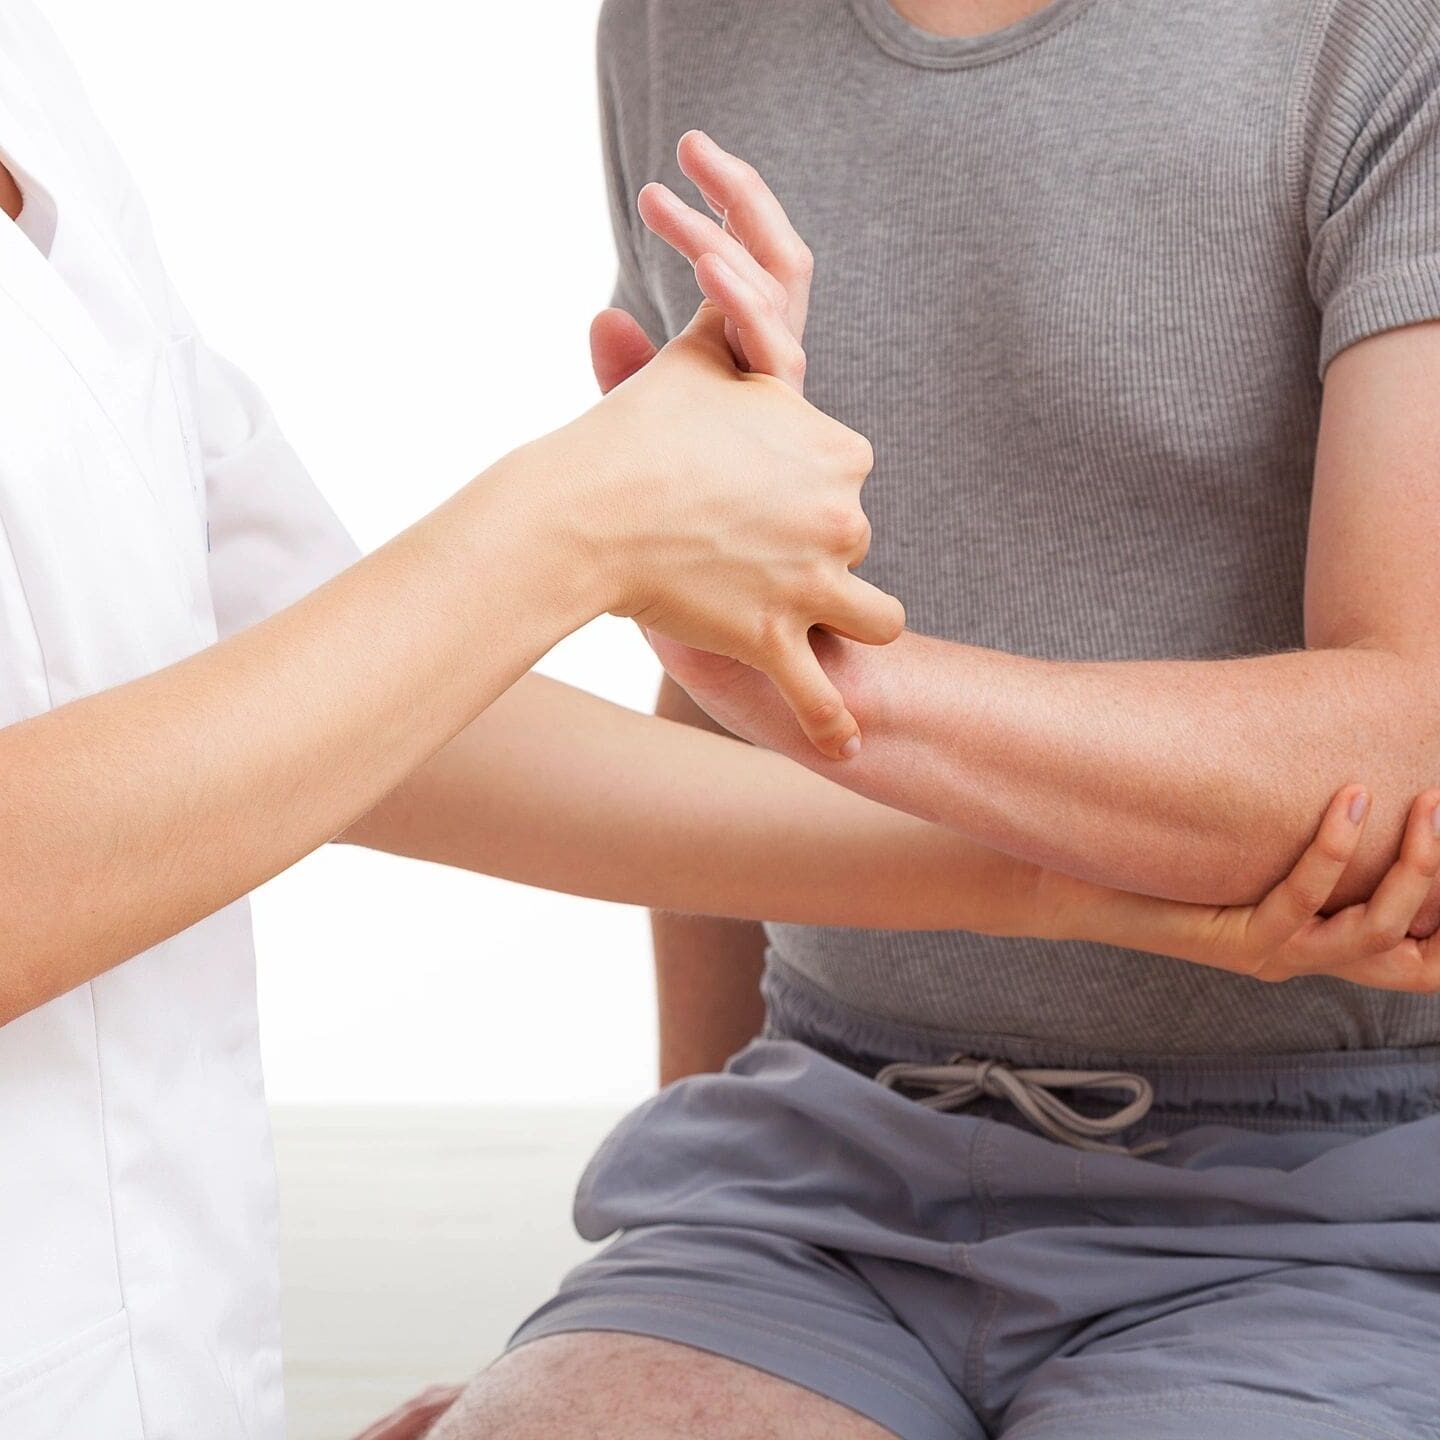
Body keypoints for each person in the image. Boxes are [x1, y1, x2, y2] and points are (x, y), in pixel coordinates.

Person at [3, 4, 1394, 1438]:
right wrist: (597, 530)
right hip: (824, 1170)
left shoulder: (33, 96)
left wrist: (1039, 874)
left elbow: (336, 692)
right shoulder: (690, 35)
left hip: (1308, 1181)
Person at [399, 1, 1440, 1438]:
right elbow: (709, 690)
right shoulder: (670, 25)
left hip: (1335, 1193)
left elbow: (1407, 749)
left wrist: (840, 691)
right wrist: (651, 1320)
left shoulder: (1383, 33)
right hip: (820, 1153)